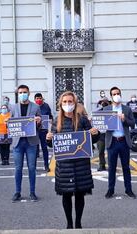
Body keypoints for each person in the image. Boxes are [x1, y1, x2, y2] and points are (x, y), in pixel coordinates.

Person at [46, 91, 99, 229]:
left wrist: (96, 133)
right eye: (65, 102)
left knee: (80, 195)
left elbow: (91, 139)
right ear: (60, 104)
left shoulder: (82, 120)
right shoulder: (57, 121)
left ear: (75, 104)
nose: (67, 104)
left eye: (70, 101)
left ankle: (78, 223)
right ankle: (69, 224)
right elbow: (53, 144)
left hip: (81, 164)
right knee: (67, 195)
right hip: (64, 166)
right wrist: (48, 139)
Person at [103, 87, 136, 199]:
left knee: (126, 167)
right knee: (111, 167)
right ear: (111, 96)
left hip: (123, 141)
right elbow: (102, 124)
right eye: (114, 94)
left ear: (120, 95)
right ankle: (110, 190)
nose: (116, 95)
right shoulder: (106, 109)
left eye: (118, 93)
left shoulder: (126, 109)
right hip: (112, 142)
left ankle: (129, 190)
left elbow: (133, 124)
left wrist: (124, 119)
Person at [11, 85, 41, 202]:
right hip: (18, 142)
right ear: (18, 94)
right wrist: (7, 123)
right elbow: (11, 124)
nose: (22, 94)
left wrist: (38, 122)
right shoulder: (13, 108)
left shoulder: (35, 107)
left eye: (24, 92)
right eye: (20, 92)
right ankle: (17, 192)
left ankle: (32, 192)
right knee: (18, 168)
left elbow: (41, 125)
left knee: (32, 168)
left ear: (29, 93)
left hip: (31, 142)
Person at [34, 93, 53, 172]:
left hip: (44, 130)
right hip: (34, 131)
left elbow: (50, 115)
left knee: (45, 148)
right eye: (37, 98)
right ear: (34, 99)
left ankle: (46, 165)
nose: (39, 100)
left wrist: (51, 120)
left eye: (40, 98)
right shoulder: (32, 107)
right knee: (34, 149)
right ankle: (33, 166)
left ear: (42, 98)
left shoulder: (46, 106)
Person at [95, 98, 110, 171]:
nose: (103, 104)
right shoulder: (97, 112)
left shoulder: (111, 112)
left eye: (105, 103)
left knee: (110, 151)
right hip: (100, 135)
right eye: (102, 103)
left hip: (109, 134)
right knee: (100, 151)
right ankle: (102, 165)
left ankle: (111, 165)